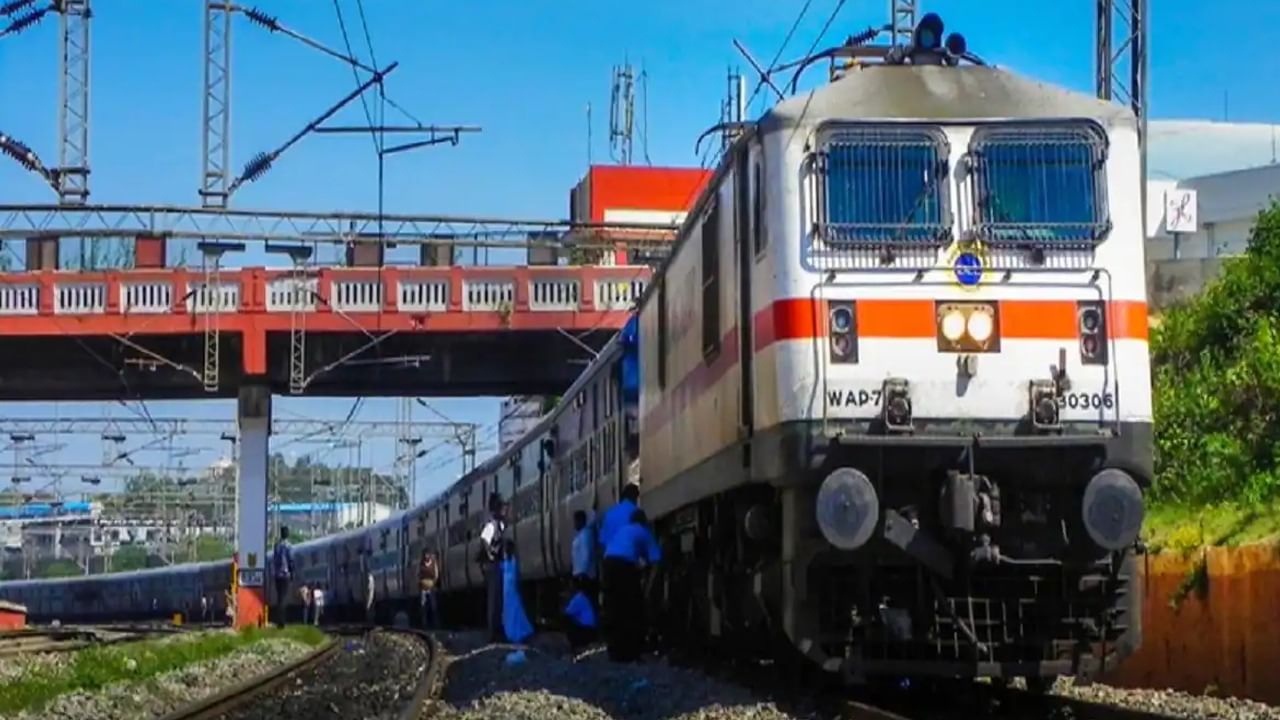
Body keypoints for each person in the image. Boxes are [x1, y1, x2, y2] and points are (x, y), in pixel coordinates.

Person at [602, 508, 661, 662]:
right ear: (643, 522)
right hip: (624, 566)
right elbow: (656, 562)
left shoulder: (623, 530)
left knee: (614, 608)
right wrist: (649, 588)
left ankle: (615, 651)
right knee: (632, 608)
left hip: (608, 564)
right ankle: (632, 652)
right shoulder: (644, 532)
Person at [479, 493, 507, 643]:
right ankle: (492, 632)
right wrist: (490, 554)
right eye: (503, 508)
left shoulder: (501, 525)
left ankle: (498, 629)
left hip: (499, 565)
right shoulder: (492, 524)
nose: (505, 511)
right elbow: (484, 538)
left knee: (499, 600)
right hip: (493, 566)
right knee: (494, 600)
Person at [500, 539, 534, 644]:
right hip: (511, 589)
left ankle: (514, 634)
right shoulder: (512, 561)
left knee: (511, 612)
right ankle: (520, 632)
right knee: (515, 610)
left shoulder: (506, 563)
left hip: (508, 590)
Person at [597, 482, 640, 553]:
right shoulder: (636, 512)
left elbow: (603, 541)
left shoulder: (609, 514)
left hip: (610, 557)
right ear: (634, 497)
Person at [563, 576, 598, 654]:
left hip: (585, 631)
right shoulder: (585, 597)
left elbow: (566, 613)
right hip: (592, 630)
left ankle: (574, 648)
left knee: (567, 621)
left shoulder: (578, 598)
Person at [271, 526, 294, 628]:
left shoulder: (276, 545)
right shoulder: (288, 546)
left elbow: (274, 559)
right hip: (285, 574)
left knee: (279, 598)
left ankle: (278, 620)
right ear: (287, 534)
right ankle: (282, 621)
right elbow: (291, 560)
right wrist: (292, 572)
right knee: (283, 599)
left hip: (277, 575)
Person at [571, 509, 597, 597]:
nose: (574, 524)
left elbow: (587, 554)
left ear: (581, 521)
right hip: (580, 574)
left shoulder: (586, 535)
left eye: (575, 521)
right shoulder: (581, 534)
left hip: (585, 576)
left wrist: (583, 573)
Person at [419, 550, 440, 629]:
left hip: (431, 586)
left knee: (433, 605)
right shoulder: (421, 563)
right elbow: (418, 574)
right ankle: (424, 624)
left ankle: (436, 623)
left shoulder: (433, 563)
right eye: (425, 555)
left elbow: (436, 573)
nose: (426, 556)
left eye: (427, 555)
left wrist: (434, 582)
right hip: (423, 587)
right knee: (423, 606)